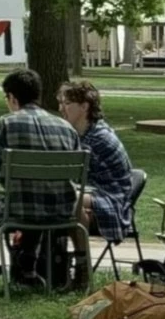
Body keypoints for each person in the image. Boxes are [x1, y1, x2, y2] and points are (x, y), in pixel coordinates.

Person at [0, 67, 81, 287]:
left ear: (12, 97)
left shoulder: (6, 123)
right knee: (37, 202)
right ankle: (28, 268)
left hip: (20, 212)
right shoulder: (66, 127)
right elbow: (75, 176)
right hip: (62, 212)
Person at [55, 80, 137, 242]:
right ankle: (54, 257)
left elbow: (65, 172)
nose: (60, 109)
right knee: (59, 198)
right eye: (60, 103)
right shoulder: (84, 133)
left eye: (67, 103)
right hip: (91, 193)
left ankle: (80, 259)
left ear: (84, 107)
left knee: (64, 198)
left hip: (111, 201)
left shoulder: (97, 138)